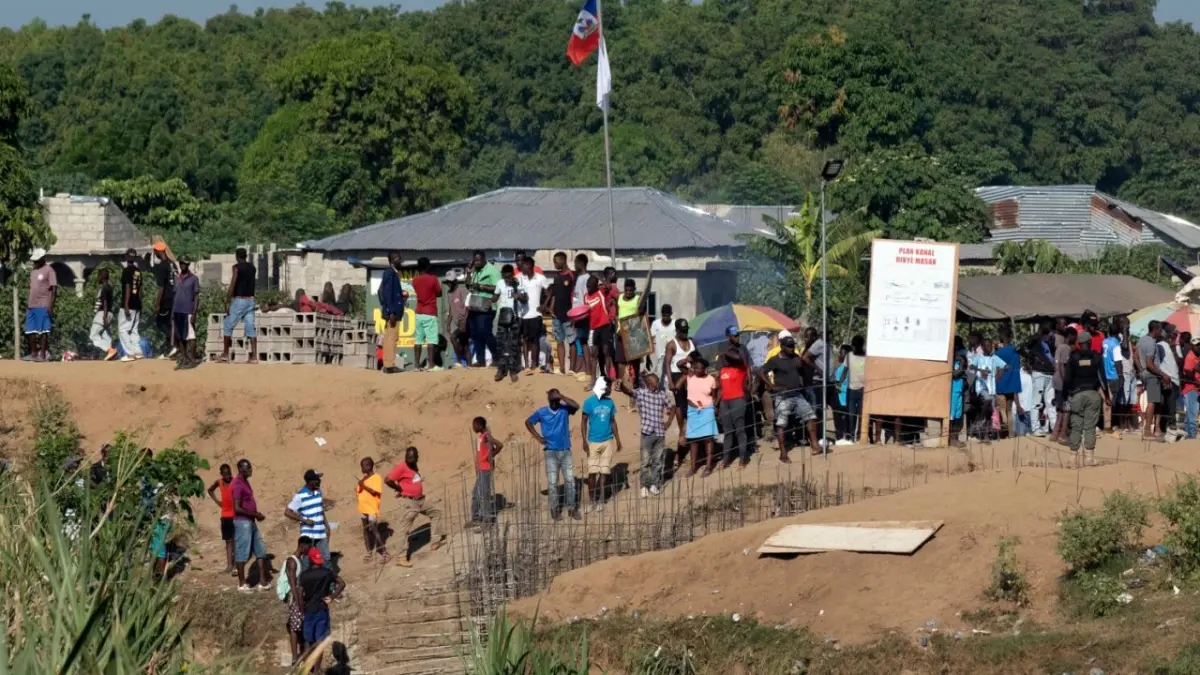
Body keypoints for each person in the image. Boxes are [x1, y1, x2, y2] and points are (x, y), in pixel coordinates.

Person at [760, 334, 820, 461]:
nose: (792, 348)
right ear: (782, 346)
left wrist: (803, 377)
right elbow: (761, 371)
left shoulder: (796, 358)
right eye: (789, 346)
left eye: (793, 346)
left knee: (811, 417)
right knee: (781, 424)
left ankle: (815, 446)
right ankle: (783, 454)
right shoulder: (775, 360)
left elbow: (801, 370)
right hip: (783, 396)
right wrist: (770, 385)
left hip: (797, 395)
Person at [525, 389, 582, 520]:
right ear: (548, 400)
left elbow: (576, 406)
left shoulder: (564, 409)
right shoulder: (542, 412)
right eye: (552, 400)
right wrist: (538, 437)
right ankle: (554, 510)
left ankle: (572, 509)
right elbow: (528, 422)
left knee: (570, 480)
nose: (555, 402)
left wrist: (561, 396)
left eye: (556, 400)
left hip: (565, 449)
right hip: (550, 451)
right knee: (552, 482)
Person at [384, 447, 446, 567]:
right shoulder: (402, 467)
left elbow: (412, 480)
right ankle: (401, 557)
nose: (410, 459)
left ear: (417, 457)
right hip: (409, 501)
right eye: (408, 457)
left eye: (412, 457)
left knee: (436, 512)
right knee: (405, 526)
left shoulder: (414, 467)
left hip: (420, 500)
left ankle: (435, 541)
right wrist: (398, 488)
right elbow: (387, 480)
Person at [616, 372, 674, 496]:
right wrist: (621, 386)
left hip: (659, 432)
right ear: (648, 384)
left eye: (657, 383)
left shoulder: (662, 394)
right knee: (645, 462)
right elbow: (629, 392)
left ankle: (654, 484)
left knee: (657, 461)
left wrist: (668, 422)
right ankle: (644, 485)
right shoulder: (642, 393)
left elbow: (672, 407)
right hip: (647, 433)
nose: (656, 385)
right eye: (654, 383)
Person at [1063, 330, 1109, 466]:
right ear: (1089, 342)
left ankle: (1072, 458)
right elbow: (1102, 378)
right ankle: (1089, 458)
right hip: (1093, 394)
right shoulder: (1096, 357)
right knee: (1090, 427)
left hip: (1076, 395)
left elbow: (1067, 379)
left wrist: (1066, 397)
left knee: (1076, 426)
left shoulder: (1073, 358)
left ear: (1078, 343)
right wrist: (1106, 396)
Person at [297, 547, 345, 673]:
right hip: (322, 610)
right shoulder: (327, 572)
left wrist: (301, 612)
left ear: (310, 560)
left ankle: (306, 670)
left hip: (308, 610)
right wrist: (332, 597)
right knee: (319, 643)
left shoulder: (304, 576)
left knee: (307, 641)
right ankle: (317, 670)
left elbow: (300, 595)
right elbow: (342, 583)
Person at [581, 377, 622, 511]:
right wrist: (584, 441)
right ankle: (592, 500)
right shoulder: (588, 402)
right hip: (593, 442)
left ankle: (602, 500)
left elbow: (613, 421)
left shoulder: (610, 403)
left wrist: (618, 440)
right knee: (592, 472)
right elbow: (583, 422)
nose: (610, 389)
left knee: (604, 472)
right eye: (608, 386)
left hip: (608, 441)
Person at [232, 458, 269, 592]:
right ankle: (242, 584)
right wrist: (255, 514)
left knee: (260, 550)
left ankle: (263, 581)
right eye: (248, 468)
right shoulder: (237, 484)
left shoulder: (245, 482)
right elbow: (237, 508)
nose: (251, 470)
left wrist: (255, 515)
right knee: (242, 552)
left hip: (250, 521)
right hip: (243, 522)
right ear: (241, 469)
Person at [662, 319, 695, 458]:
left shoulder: (692, 342)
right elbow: (667, 364)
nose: (685, 333)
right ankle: (682, 433)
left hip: (690, 375)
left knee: (691, 405)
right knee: (680, 406)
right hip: (677, 376)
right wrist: (670, 381)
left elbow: (696, 356)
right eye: (682, 331)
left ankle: (689, 437)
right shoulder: (672, 344)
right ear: (677, 330)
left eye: (686, 330)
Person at [279, 536, 313, 664]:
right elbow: (293, 585)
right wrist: (299, 603)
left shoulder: (299, 560)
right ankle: (294, 658)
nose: (309, 551)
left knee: (299, 625)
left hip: (298, 597)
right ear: (302, 546)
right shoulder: (292, 561)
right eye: (308, 548)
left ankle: (301, 654)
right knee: (295, 627)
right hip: (295, 598)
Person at [615, 273, 654, 386]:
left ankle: (634, 382)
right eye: (627, 290)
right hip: (620, 332)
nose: (628, 293)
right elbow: (618, 314)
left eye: (631, 290)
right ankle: (622, 382)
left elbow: (642, 315)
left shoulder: (638, 300)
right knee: (620, 360)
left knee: (634, 360)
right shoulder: (620, 298)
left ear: (634, 290)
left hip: (633, 332)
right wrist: (618, 328)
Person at [286, 469, 330, 568]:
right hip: (308, 533)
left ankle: (328, 582)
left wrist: (326, 525)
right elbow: (287, 512)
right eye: (317, 479)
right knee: (307, 559)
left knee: (325, 558)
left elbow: (320, 509)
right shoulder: (300, 495)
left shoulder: (318, 492)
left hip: (320, 531)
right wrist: (304, 520)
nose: (319, 481)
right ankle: (306, 581)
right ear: (310, 481)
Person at [221, 248, 258, 364]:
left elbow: (233, 283)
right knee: (250, 327)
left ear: (237, 256)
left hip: (239, 300)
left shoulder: (236, 268)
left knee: (227, 325)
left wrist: (227, 301)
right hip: (251, 300)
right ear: (246, 256)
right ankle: (254, 357)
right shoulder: (253, 268)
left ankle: (225, 354)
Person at [1135, 320, 1170, 440]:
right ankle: (1147, 430)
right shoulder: (1151, 343)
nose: (1161, 332)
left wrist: (1141, 371)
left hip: (1145, 373)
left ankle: (1154, 428)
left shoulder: (1141, 339)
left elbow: (1135, 356)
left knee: (1155, 401)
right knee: (1152, 401)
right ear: (1155, 330)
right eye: (1160, 329)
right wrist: (1163, 374)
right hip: (1152, 374)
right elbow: (1150, 364)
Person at [684, 356, 718, 476]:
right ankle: (693, 466)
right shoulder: (690, 377)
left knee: (708, 439)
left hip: (706, 410)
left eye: (700, 368)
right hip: (693, 411)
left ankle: (708, 466)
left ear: (705, 369)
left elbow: (714, 395)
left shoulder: (711, 379)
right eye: (695, 367)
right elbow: (680, 364)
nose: (697, 370)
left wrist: (713, 407)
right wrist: (688, 360)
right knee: (693, 440)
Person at [466, 250, 500, 368]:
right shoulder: (475, 270)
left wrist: (481, 286)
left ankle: (496, 357)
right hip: (475, 305)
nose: (476, 262)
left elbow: (497, 288)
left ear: (484, 259)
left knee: (485, 332)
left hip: (487, 305)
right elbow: (468, 285)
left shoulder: (492, 270)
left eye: (478, 260)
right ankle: (481, 360)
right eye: (474, 260)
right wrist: (469, 272)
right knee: (475, 334)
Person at [718, 348, 752, 468]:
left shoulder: (741, 368)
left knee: (740, 431)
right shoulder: (722, 370)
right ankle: (726, 459)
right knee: (728, 432)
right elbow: (721, 389)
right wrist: (717, 404)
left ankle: (743, 459)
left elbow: (739, 358)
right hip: (725, 402)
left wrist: (725, 352)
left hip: (738, 400)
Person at [21, 248, 56, 362]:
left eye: (37, 260)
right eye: (34, 261)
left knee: (44, 331)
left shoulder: (49, 270)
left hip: (43, 304)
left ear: (43, 259)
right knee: (31, 330)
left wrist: (51, 306)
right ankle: (33, 353)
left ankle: (42, 356)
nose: (34, 263)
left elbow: (54, 289)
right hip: (31, 306)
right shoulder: (33, 271)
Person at [517, 256, 550, 376]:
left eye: (524, 265)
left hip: (536, 314)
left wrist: (544, 306)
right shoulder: (519, 278)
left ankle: (534, 365)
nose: (521, 267)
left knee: (535, 340)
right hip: (523, 314)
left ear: (529, 266)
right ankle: (526, 366)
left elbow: (549, 292)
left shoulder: (540, 278)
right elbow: (514, 292)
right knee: (525, 340)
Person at [546, 252, 576, 376]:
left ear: (562, 261)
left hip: (568, 315)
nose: (554, 264)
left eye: (555, 262)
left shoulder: (571, 276)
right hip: (557, 314)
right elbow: (554, 295)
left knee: (572, 341)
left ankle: (572, 369)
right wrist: (551, 309)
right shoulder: (557, 277)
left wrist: (574, 313)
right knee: (559, 341)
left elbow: (575, 295)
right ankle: (562, 368)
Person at [1025, 321, 1057, 436]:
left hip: (1050, 373)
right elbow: (1025, 346)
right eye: (1048, 331)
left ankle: (1054, 426)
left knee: (1051, 401)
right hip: (1039, 373)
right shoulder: (1035, 341)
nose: (1050, 334)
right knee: (1036, 402)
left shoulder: (1052, 342)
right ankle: (1035, 428)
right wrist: (1039, 334)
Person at [471, 416, 504, 526]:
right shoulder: (481, 436)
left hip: (486, 470)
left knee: (484, 495)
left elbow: (499, 445)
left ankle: (488, 521)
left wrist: (492, 455)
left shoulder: (486, 436)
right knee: (476, 493)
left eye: (475, 425)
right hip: (481, 469)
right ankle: (475, 518)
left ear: (480, 425)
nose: (473, 427)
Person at [411, 257, 443, 371]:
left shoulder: (414, 280)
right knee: (431, 340)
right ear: (428, 266)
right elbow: (439, 293)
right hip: (430, 312)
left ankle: (416, 365)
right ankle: (431, 365)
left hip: (419, 312)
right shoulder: (433, 279)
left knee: (418, 339)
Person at [356, 457, 390, 564]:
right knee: (365, 530)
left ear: (369, 466)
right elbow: (358, 492)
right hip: (363, 508)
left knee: (374, 529)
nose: (362, 468)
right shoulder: (363, 479)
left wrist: (363, 485)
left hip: (372, 508)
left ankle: (384, 552)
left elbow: (375, 492)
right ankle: (369, 552)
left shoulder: (376, 477)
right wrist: (361, 484)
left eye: (363, 465)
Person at [583, 275, 616, 384]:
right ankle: (593, 380)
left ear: (595, 286)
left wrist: (598, 276)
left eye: (590, 285)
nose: (588, 288)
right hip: (593, 328)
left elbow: (609, 286)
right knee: (594, 354)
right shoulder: (586, 297)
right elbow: (585, 311)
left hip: (604, 325)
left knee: (606, 351)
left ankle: (609, 379)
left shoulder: (601, 292)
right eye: (587, 286)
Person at [378, 252, 407, 374]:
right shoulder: (390, 272)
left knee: (393, 338)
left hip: (395, 311)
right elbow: (386, 293)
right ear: (393, 260)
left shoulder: (393, 273)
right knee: (390, 338)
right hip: (392, 313)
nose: (401, 261)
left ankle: (390, 363)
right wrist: (391, 312)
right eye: (399, 259)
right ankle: (389, 365)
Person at [206, 463, 237, 574]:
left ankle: (236, 565)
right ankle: (229, 566)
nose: (228, 476)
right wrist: (217, 501)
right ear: (221, 474)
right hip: (225, 516)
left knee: (235, 541)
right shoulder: (219, 482)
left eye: (229, 473)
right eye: (225, 474)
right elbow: (210, 490)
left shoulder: (235, 482)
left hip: (234, 515)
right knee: (228, 541)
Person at [494, 264, 522, 382]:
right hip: (502, 317)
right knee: (501, 343)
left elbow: (525, 297)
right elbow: (495, 296)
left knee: (513, 344)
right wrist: (489, 300)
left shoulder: (519, 283)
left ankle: (513, 370)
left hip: (514, 317)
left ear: (513, 275)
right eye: (505, 277)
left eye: (509, 277)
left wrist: (519, 296)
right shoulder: (500, 283)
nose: (507, 280)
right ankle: (501, 369)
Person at [172, 256, 201, 370]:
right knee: (180, 337)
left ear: (188, 265)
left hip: (188, 311)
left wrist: (194, 313)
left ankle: (193, 359)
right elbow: (175, 295)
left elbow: (197, 296)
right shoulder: (176, 278)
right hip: (177, 310)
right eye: (181, 263)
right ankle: (184, 358)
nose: (182, 265)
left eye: (184, 263)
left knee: (190, 336)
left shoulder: (194, 279)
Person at [1050, 327, 1077, 444]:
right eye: (1074, 336)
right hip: (1062, 381)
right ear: (1070, 336)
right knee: (1066, 408)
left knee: (1060, 408)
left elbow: (1055, 364)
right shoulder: (1066, 348)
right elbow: (1062, 366)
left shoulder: (1059, 347)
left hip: (1056, 380)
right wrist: (1067, 382)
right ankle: (1063, 433)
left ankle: (1055, 433)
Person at [151, 241, 178, 357]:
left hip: (166, 298)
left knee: (160, 323)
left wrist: (157, 304)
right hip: (175, 296)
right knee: (170, 323)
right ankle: (169, 348)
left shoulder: (162, 266)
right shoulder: (172, 264)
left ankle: (175, 344)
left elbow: (161, 286)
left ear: (157, 251)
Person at [993, 328, 1021, 438]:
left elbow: (996, 369)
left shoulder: (998, 353)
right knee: (1009, 409)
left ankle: (1004, 424)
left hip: (1001, 383)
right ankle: (1010, 433)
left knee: (1002, 408)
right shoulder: (1016, 352)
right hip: (1013, 382)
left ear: (1001, 338)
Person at [119, 248, 144, 362]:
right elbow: (140, 289)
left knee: (123, 329)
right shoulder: (138, 271)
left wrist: (126, 304)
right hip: (137, 304)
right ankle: (138, 352)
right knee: (134, 329)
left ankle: (130, 354)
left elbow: (128, 287)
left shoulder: (126, 271)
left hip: (129, 304)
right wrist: (140, 303)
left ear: (126, 257)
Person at [1100, 320, 1125, 437]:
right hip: (1113, 375)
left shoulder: (1104, 342)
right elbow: (1118, 362)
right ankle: (1109, 426)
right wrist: (1121, 376)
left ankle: (1105, 424)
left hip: (1104, 375)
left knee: (1105, 400)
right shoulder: (1116, 344)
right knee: (1112, 402)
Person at [89, 267, 118, 361]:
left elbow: (105, 302)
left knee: (93, 335)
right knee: (107, 335)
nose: (98, 278)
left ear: (102, 276)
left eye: (99, 276)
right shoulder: (109, 287)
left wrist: (104, 317)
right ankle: (111, 354)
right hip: (109, 313)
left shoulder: (104, 288)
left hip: (103, 313)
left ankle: (109, 350)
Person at [444, 270, 470, 368]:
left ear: (455, 281)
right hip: (458, 323)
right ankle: (470, 365)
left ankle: (459, 361)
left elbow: (467, 306)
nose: (449, 284)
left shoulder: (462, 290)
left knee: (453, 337)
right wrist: (448, 323)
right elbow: (451, 309)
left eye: (451, 281)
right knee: (465, 345)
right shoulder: (449, 293)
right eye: (447, 282)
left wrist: (464, 321)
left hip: (466, 322)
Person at [845, 335, 866, 442]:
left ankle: (860, 435)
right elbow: (845, 369)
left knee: (862, 414)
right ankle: (851, 435)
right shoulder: (849, 356)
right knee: (851, 414)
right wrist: (839, 382)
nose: (854, 348)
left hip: (863, 389)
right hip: (851, 389)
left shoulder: (866, 357)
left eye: (855, 346)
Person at [650, 304, 676, 384]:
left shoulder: (675, 324)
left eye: (667, 316)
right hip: (658, 356)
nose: (665, 317)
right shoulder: (656, 324)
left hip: (672, 357)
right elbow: (651, 338)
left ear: (671, 314)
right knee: (658, 377)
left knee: (669, 378)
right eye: (664, 315)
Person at [1013, 355, 1037, 437]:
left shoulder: (1035, 375)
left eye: (1032, 363)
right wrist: (1018, 406)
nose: (1031, 365)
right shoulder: (1018, 375)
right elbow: (1015, 392)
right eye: (1030, 362)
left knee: (1031, 440)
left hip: (1033, 413)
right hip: (1022, 411)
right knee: (1021, 438)